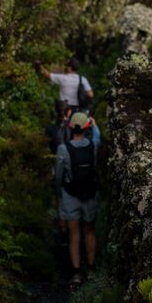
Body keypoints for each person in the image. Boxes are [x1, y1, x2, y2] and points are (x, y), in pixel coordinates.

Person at [54, 110, 100, 286]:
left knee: (74, 234)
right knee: (89, 231)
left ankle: (76, 273)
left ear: (71, 127)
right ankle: (91, 268)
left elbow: (58, 176)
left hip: (70, 194)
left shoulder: (63, 149)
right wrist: (94, 125)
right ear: (87, 127)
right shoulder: (93, 145)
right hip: (90, 193)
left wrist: (58, 195)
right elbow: (97, 136)